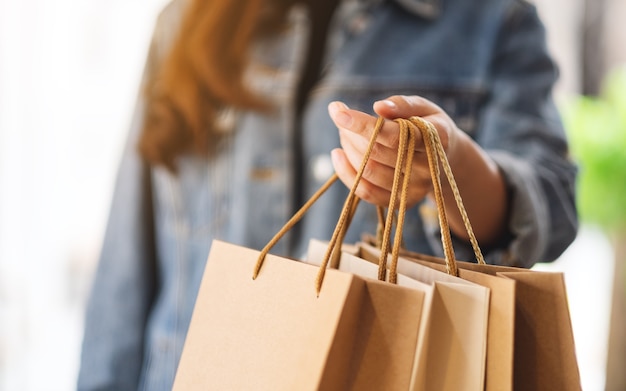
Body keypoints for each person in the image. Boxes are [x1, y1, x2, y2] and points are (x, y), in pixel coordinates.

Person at [77, 0, 578, 389]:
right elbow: (127, 270)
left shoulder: (490, 18)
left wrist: (454, 169)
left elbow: (552, 205)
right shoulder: (187, 20)